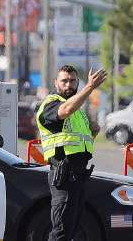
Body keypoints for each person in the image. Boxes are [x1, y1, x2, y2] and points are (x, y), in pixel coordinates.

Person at [36, 65, 108, 241]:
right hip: (63, 175)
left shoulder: (78, 111)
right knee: (60, 231)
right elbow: (65, 110)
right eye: (64, 81)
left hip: (78, 175)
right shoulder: (51, 103)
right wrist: (89, 87)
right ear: (56, 83)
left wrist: (94, 130)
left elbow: (84, 138)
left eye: (73, 81)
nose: (69, 84)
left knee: (73, 230)